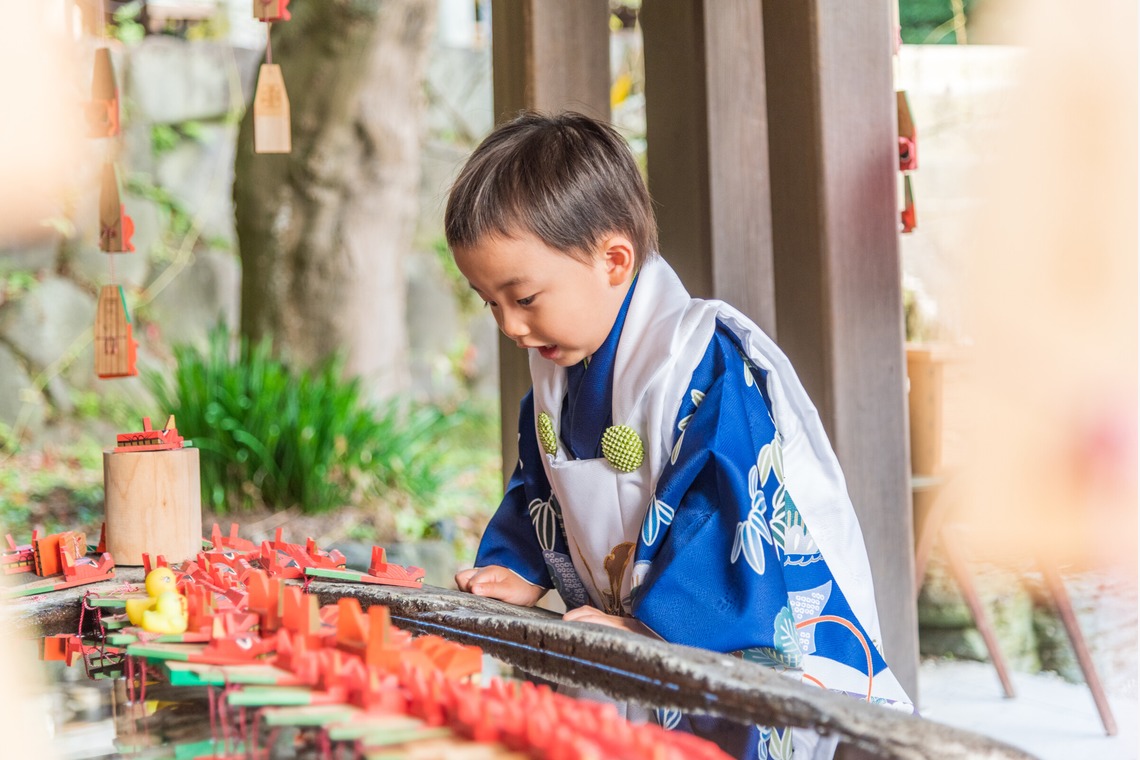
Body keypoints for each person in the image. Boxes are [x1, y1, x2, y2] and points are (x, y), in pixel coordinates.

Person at [446, 111, 912, 757]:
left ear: (613, 260)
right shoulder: (560, 372)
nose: (510, 325)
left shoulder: (701, 360)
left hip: (719, 634)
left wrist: (653, 624)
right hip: (628, 641)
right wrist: (518, 564)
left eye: (524, 298)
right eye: (488, 302)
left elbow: (726, 508)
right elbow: (541, 484)